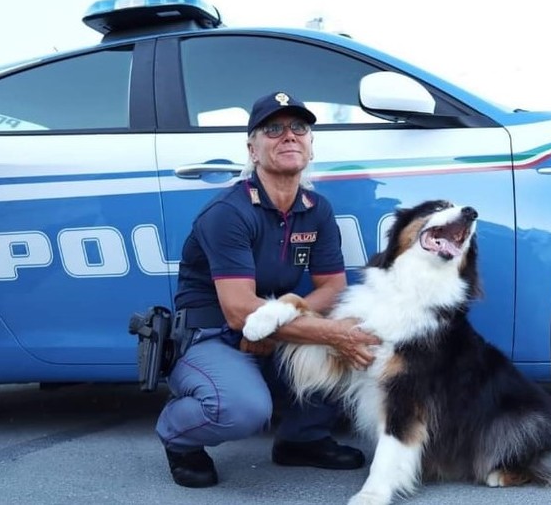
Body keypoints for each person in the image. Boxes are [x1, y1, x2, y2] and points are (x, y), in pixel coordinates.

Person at [155, 91, 381, 488]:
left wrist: (282, 323)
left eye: (299, 128)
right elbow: (240, 312)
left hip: (269, 324)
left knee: (349, 334)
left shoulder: (316, 207)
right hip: (213, 336)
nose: (289, 136)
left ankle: (302, 440)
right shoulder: (229, 212)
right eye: (273, 129)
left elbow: (332, 287)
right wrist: (330, 334)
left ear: (311, 146)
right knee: (242, 409)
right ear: (252, 149)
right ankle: (179, 437)